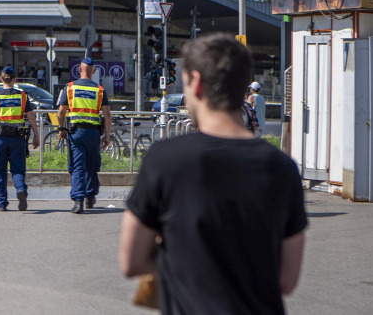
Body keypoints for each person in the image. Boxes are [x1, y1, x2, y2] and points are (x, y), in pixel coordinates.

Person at [119, 33, 307, 314]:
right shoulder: (282, 168)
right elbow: (287, 280)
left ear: (195, 83)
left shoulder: (165, 159)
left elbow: (131, 261)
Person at [0, 66, 40, 212]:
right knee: (18, 169)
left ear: (1, 79)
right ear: (14, 79)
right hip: (17, 138)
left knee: (0, 170)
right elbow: (31, 116)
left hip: (0, 139)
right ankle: (20, 190)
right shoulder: (22, 96)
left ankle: (1, 203)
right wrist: (37, 136)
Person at [56, 58, 112, 214]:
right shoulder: (100, 90)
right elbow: (107, 115)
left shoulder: (70, 88)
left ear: (79, 69)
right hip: (94, 134)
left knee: (78, 167)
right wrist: (107, 136)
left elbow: (61, 112)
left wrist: (61, 128)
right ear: (93, 71)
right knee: (92, 166)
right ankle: (90, 196)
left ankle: (78, 201)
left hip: (76, 133)